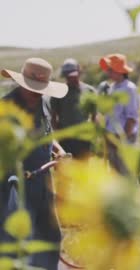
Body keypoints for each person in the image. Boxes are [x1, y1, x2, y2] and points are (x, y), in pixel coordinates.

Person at [0, 58, 68, 270]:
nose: (38, 92)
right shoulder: (6, 107)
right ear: (21, 83)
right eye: (34, 88)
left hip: (43, 182)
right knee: (16, 241)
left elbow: (48, 134)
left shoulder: (44, 103)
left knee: (50, 236)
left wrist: (59, 151)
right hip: (15, 185)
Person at [99, 53, 140, 175]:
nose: (108, 73)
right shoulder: (112, 88)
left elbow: (132, 118)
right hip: (112, 139)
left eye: (110, 70)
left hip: (124, 141)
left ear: (119, 70)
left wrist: (120, 140)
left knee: (126, 176)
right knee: (115, 177)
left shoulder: (129, 89)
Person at [50, 58, 96, 159]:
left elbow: (94, 115)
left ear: (79, 72)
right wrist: (58, 136)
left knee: (83, 169)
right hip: (65, 139)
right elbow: (53, 116)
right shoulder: (59, 92)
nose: (70, 78)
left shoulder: (89, 90)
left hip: (84, 138)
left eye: (73, 75)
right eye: (68, 76)